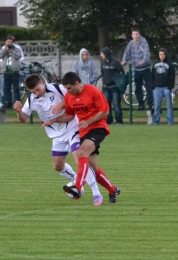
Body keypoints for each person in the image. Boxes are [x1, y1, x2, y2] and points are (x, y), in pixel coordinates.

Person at [14, 74, 104, 206]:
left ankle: (96, 194)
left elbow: (73, 95)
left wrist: (63, 104)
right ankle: (77, 179)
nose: (37, 93)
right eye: (33, 92)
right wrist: (18, 111)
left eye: (38, 89)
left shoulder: (57, 88)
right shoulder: (32, 99)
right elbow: (24, 119)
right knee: (57, 165)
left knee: (80, 159)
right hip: (56, 135)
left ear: (41, 82)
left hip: (72, 127)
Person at [43, 72, 121, 203]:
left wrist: (88, 122)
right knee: (93, 168)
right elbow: (69, 116)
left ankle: (78, 186)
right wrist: (54, 120)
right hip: (84, 131)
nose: (67, 91)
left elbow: (105, 111)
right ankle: (112, 190)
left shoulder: (93, 91)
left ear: (77, 83)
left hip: (98, 128)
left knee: (81, 153)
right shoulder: (69, 97)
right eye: (66, 89)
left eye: (69, 88)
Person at [121, 28, 153, 110]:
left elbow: (146, 53)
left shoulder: (144, 42)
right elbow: (126, 53)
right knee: (138, 88)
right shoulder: (131, 43)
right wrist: (124, 60)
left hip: (145, 68)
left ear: (139, 35)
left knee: (149, 87)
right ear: (132, 35)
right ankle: (141, 105)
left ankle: (151, 104)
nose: (135, 36)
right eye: (134, 34)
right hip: (137, 69)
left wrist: (143, 61)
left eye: (137, 34)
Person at [0, 35, 25, 108]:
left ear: (13, 43)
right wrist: (5, 50)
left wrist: (11, 50)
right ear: (5, 42)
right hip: (6, 71)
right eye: (8, 42)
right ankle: (8, 102)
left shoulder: (16, 49)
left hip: (14, 71)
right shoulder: (3, 48)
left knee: (16, 87)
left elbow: (18, 56)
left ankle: (17, 103)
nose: (9, 43)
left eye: (11, 42)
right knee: (6, 88)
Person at [100, 47, 125, 125]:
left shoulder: (116, 63)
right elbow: (103, 74)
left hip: (115, 88)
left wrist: (118, 83)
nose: (101, 55)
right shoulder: (103, 63)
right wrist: (104, 83)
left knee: (116, 104)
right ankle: (108, 120)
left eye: (102, 53)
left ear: (105, 54)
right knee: (107, 105)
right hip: (106, 88)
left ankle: (119, 121)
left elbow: (121, 73)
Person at [151, 48, 175, 125]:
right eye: (160, 54)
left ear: (166, 55)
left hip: (166, 87)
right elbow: (152, 75)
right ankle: (155, 121)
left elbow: (172, 76)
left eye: (163, 54)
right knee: (157, 105)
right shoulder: (155, 64)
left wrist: (170, 87)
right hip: (157, 87)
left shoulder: (170, 64)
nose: (161, 56)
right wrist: (153, 86)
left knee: (169, 105)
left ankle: (170, 121)